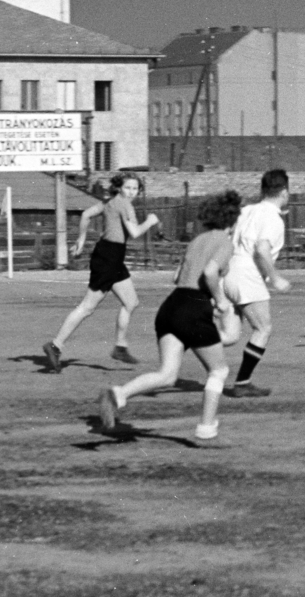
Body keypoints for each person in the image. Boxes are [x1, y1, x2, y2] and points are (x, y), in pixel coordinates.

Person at [98, 190, 243, 446]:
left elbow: (177, 277)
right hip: (194, 308)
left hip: (171, 306)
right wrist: (220, 299)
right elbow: (210, 272)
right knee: (219, 369)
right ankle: (206, 430)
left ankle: (119, 393)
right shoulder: (225, 241)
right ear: (232, 220)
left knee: (167, 375)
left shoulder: (197, 240)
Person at [43, 174, 159, 372]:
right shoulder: (124, 205)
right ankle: (55, 345)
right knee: (87, 307)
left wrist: (81, 238)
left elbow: (86, 214)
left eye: (135, 188)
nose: (132, 191)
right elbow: (135, 232)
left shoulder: (109, 202)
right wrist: (150, 221)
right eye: (128, 187)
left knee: (131, 302)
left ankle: (120, 347)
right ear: (119, 188)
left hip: (111, 256)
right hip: (109, 258)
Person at [223, 168, 293, 397]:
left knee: (231, 335)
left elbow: (227, 235)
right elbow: (262, 249)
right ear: (284, 192)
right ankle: (242, 383)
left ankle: (185, 338)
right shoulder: (273, 218)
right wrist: (276, 279)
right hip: (248, 275)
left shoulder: (247, 210)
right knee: (263, 328)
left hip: (229, 271)